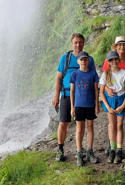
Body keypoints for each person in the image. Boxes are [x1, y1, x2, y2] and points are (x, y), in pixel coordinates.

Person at [52, 33, 96, 162]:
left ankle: (81, 149)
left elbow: (93, 79)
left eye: (80, 42)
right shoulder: (65, 58)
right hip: (66, 94)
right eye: (76, 42)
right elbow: (59, 77)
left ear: (83, 44)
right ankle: (60, 150)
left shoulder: (89, 59)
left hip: (83, 97)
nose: (78, 45)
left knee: (81, 124)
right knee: (63, 122)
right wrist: (56, 96)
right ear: (72, 44)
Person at [100, 50, 125, 164]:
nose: (114, 61)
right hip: (110, 102)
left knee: (119, 126)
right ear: (108, 62)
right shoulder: (105, 74)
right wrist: (107, 107)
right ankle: (112, 150)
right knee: (112, 126)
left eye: (115, 59)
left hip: (121, 101)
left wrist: (123, 106)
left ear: (119, 60)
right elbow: (102, 91)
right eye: (111, 60)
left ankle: (119, 150)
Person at [70, 51, 100, 166]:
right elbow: (72, 91)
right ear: (78, 61)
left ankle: (89, 151)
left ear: (88, 60)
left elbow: (96, 91)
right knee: (79, 129)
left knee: (90, 127)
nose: (83, 61)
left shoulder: (93, 74)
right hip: (78, 105)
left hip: (90, 105)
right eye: (81, 60)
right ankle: (79, 152)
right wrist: (72, 107)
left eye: (85, 59)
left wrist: (97, 105)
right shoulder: (74, 74)